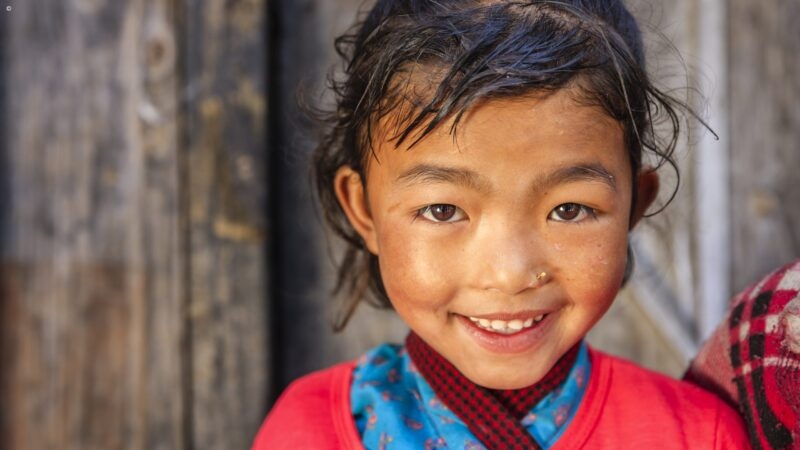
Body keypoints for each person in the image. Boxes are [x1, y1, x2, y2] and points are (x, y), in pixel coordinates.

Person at [253, 0, 749, 448]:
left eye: (569, 209)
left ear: (633, 208)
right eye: (443, 210)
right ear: (362, 210)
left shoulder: (695, 434)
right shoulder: (309, 429)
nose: (510, 274)